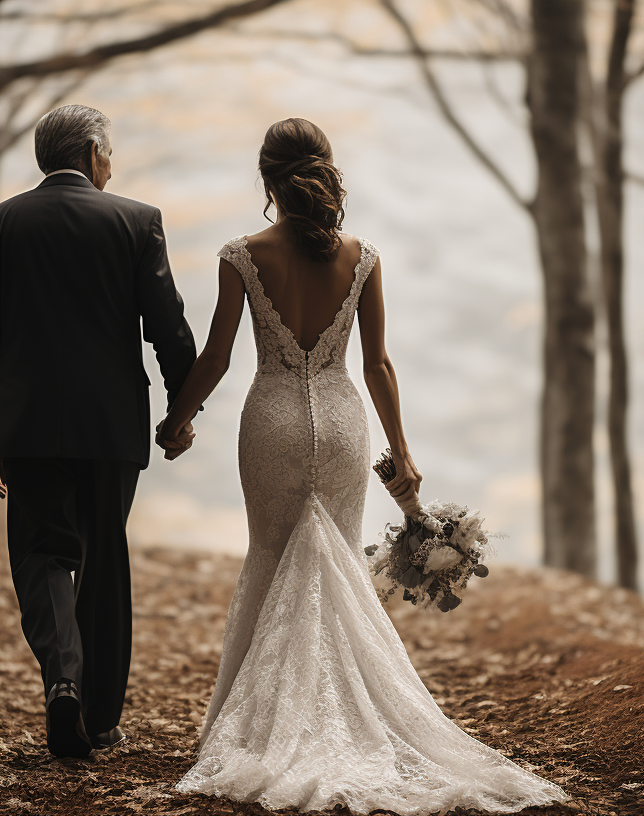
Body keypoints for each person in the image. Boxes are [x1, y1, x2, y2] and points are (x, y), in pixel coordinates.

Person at [156, 118, 567, 814]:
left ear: (266, 180)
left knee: (271, 555)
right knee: (335, 560)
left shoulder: (239, 256)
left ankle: (257, 724)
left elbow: (219, 357)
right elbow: (377, 362)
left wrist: (177, 418)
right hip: (346, 425)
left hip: (271, 422)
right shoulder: (363, 257)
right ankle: (343, 714)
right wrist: (402, 451)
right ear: (325, 174)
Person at [0, 104, 198, 759]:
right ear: (93, 152)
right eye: (110, 152)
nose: (112, 164)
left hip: (27, 426)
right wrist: (181, 413)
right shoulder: (135, 222)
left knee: (43, 556)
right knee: (103, 562)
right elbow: (168, 327)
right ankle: (101, 718)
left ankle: (62, 679)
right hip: (108, 424)